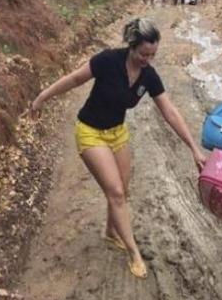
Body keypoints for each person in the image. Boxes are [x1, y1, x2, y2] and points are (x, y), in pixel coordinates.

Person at [28, 19, 206, 279]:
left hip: (117, 133)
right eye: (144, 54)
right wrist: (41, 98)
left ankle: (112, 233)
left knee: (124, 187)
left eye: (153, 54)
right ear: (131, 46)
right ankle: (133, 251)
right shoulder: (108, 60)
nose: (148, 59)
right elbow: (75, 79)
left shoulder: (148, 75)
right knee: (116, 193)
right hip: (90, 132)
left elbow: (170, 112)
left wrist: (194, 149)